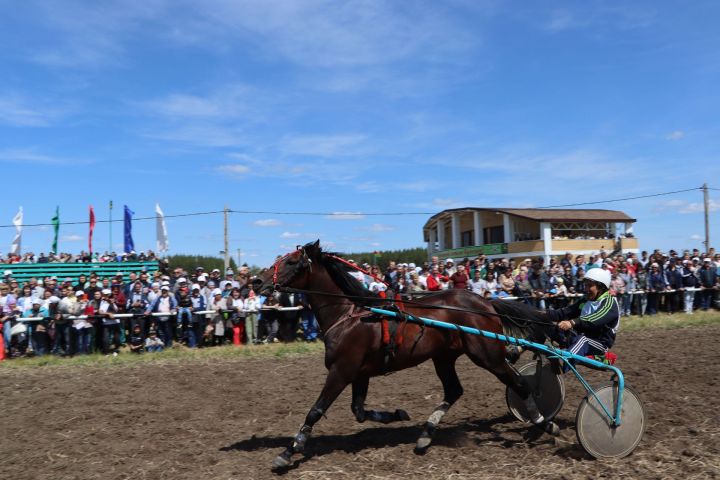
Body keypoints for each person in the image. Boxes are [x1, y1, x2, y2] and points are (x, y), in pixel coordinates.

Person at [544, 268, 620, 371]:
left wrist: (572, 322)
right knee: (546, 326)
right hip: (579, 337)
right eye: (585, 285)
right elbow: (564, 312)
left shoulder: (610, 303)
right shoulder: (585, 300)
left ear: (600, 287)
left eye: (590, 285)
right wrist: (542, 314)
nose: (586, 289)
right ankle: (520, 349)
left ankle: (563, 367)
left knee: (583, 340)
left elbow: (594, 320)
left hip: (600, 344)